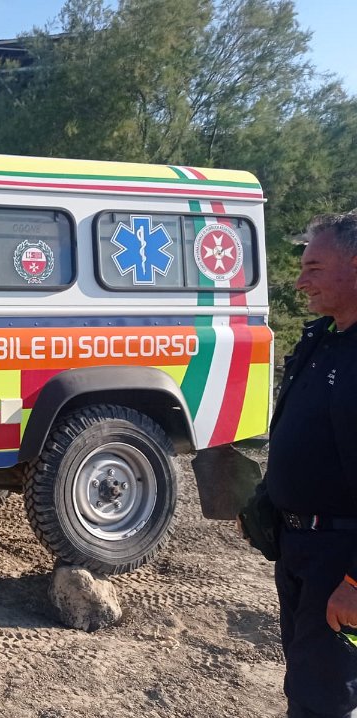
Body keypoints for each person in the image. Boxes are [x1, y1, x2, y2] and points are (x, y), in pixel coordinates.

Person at [242, 212, 357, 717]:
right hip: (299, 550)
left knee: (326, 698)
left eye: (314, 267)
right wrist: (267, 500)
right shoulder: (323, 338)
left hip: (341, 559)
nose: (299, 281)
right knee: (306, 683)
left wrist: (354, 583)